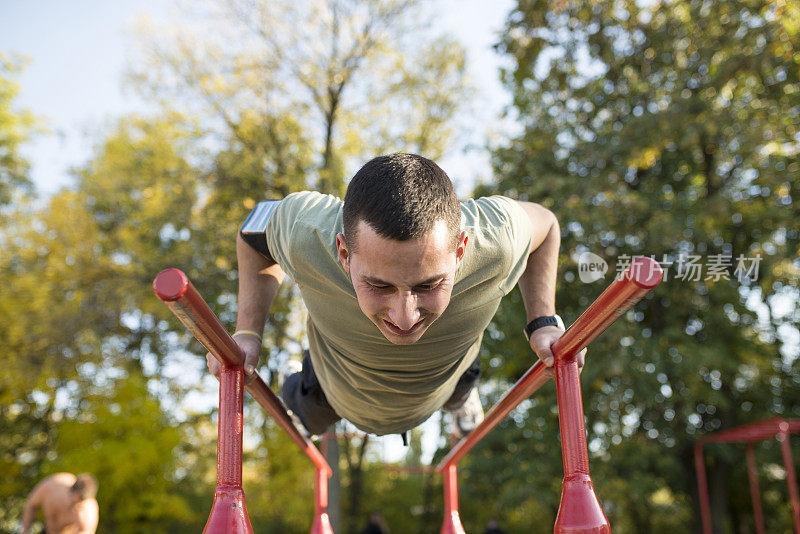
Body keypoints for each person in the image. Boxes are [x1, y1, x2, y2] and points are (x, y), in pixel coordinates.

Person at [207, 152, 584, 437]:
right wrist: (247, 333)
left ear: (461, 251)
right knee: (312, 416)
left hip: (446, 376)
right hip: (336, 387)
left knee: (462, 379)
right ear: (343, 254)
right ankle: (297, 374)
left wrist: (543, 322)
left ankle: (462, 396)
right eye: (379, 285)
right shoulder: (306, 231)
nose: (405, 318)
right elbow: (251, 236)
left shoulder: (496, 238)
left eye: (428, 285)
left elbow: (547, 226)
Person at [21, 473, 98, 534]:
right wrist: (26, 530)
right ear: (68, 490)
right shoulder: (52, 487)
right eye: (74, 503)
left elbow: (85, 532)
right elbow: (31, 505)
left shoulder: (89, 513)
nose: (75, 508)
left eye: (79, 506)